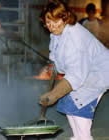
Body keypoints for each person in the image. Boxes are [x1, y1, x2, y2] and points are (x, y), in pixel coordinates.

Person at [39, 1, 109, 140]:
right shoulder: (56, 33)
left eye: (55, 20)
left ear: (64, 18)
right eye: (48, 22)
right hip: (84, 72)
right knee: (70, 106)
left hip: (98, 74)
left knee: (79, 106)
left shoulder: (75, 39)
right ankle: (77, 137)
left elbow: (76, 76)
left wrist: (53, 94)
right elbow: (55, 56)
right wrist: (49, 67)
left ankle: (83, 137)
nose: (51, 26)